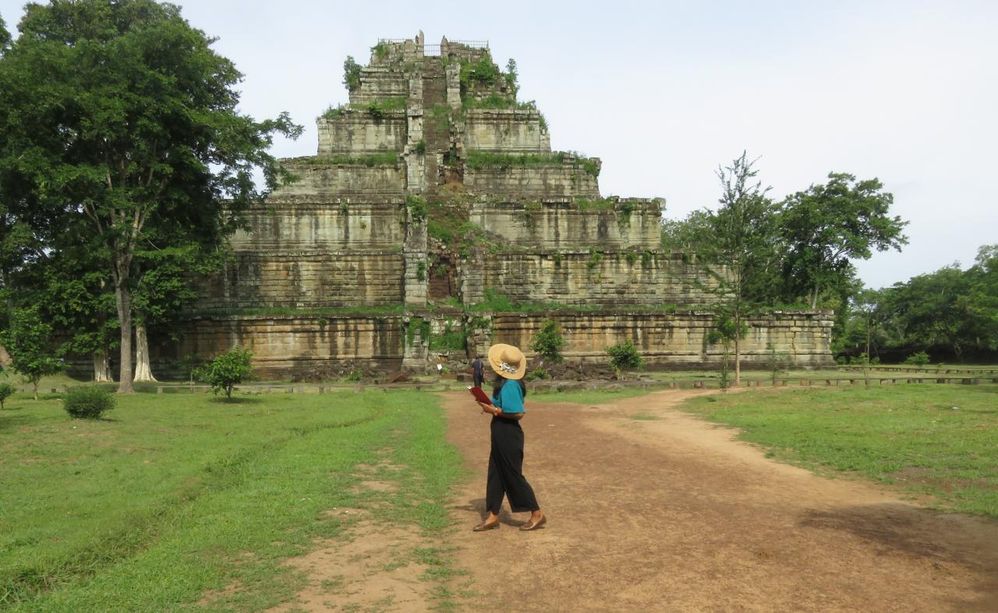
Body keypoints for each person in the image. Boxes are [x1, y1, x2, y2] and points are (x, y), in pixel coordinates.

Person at [473, 343, 546, 532]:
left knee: (512, 475)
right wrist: (489, 405)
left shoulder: (511, 384)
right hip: (500, 431)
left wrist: (494, 410)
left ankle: (537, 513)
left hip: (508, 433)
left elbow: (518, 413)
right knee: (495, 473)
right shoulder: (506, 382)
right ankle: (493, 515)